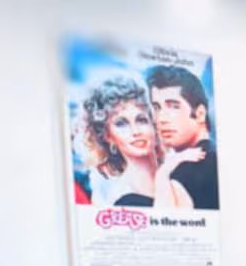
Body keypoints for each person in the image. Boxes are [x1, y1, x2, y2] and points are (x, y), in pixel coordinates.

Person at [76, 76, 204, 208]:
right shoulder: (123, 197)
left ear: (153, 124)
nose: (135, 131)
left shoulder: (178, 174)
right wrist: (163, 173)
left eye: (141, 120)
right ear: (108, 136)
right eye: (121, 124)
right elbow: (166, 223)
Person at [147, 65, 220, 210]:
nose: (161, 119)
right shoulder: (215, 158)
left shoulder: (185, 170)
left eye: (173, 106)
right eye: (157, 107)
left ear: (199, 114)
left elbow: (163, 229)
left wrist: (163, 173)